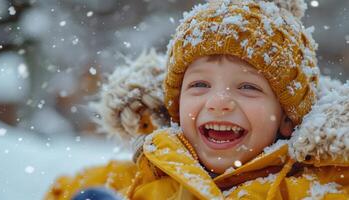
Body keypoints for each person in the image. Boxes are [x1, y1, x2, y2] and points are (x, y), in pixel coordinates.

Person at [46, 1, 349, 199]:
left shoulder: (307, 189)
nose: (219, 102)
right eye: (200, 84)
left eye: (247, 87)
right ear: (176, 107)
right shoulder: (146, 173)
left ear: (287, 117)